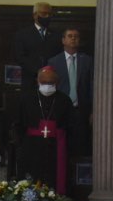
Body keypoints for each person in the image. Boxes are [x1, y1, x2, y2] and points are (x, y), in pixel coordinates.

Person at [13, 66, 71, 194]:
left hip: (56, 147)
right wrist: (20, 144)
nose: (47, 86)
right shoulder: (26, 99)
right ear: (38, 81)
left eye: (51, 83)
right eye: (44, 83)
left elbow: (70, 125)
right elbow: (18, 123)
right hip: (31, 146)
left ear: (57, 83)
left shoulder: (64, 100)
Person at [47, 27, 94, 156]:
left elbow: (92, 86)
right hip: (61, 110)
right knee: (62, 147)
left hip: (81, 111)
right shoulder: (54, 61)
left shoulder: (87, 61)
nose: (73, 38)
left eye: (76, 36)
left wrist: (93, 111)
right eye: (70, 36)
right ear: (63, 40)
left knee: (81, 146)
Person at [14, 2, 62, 88]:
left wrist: (49, 72)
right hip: (30, 80)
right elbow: (20, 57)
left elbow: (59, 56)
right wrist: (38, 71)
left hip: (51, 80)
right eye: (44, 13)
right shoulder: (22, 34)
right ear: (35, 15)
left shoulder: (56, 35)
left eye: (49, 14)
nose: (47, 16)